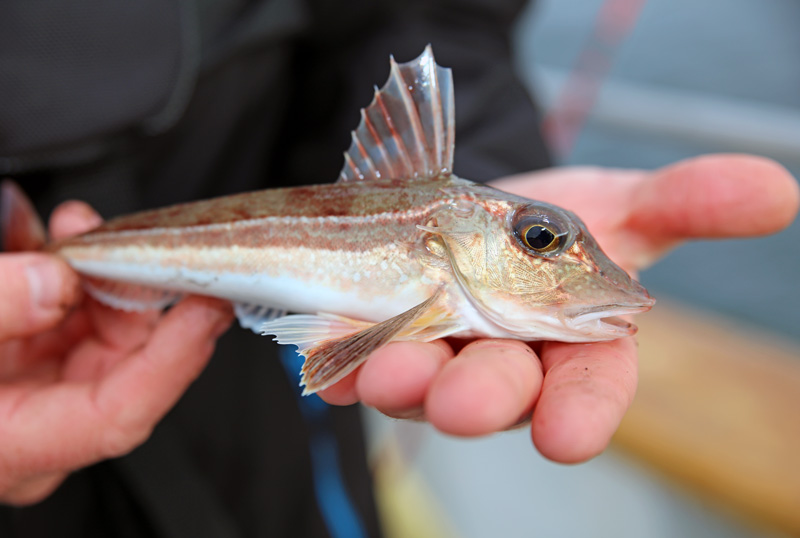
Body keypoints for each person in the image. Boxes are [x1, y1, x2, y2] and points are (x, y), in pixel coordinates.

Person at [1, 0, 798, 537]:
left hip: (249, 425)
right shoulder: (430, 260)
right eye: (543, 241)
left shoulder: (439, 230)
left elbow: (434, 10)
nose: (557, 257)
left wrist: (491, 158)